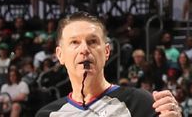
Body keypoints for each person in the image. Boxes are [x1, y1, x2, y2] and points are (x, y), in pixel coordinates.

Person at [34, 12, 180, 117]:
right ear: (60, 55)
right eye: (74, 42)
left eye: (92, 41)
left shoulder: (140, 103)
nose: (84, 49)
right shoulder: (48, 114)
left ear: (106, 52)